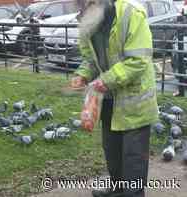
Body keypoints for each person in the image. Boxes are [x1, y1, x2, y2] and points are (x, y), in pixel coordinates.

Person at [71, 0, 159, 196]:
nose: (79, 6)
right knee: (112, 152)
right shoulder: (87, 19)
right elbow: (90, 58)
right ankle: (118, 190)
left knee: (133, 158)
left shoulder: (131, 13)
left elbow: (138, 60)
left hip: (135, 101)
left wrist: (106, 80)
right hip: (109, 99)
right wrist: (83, 74)